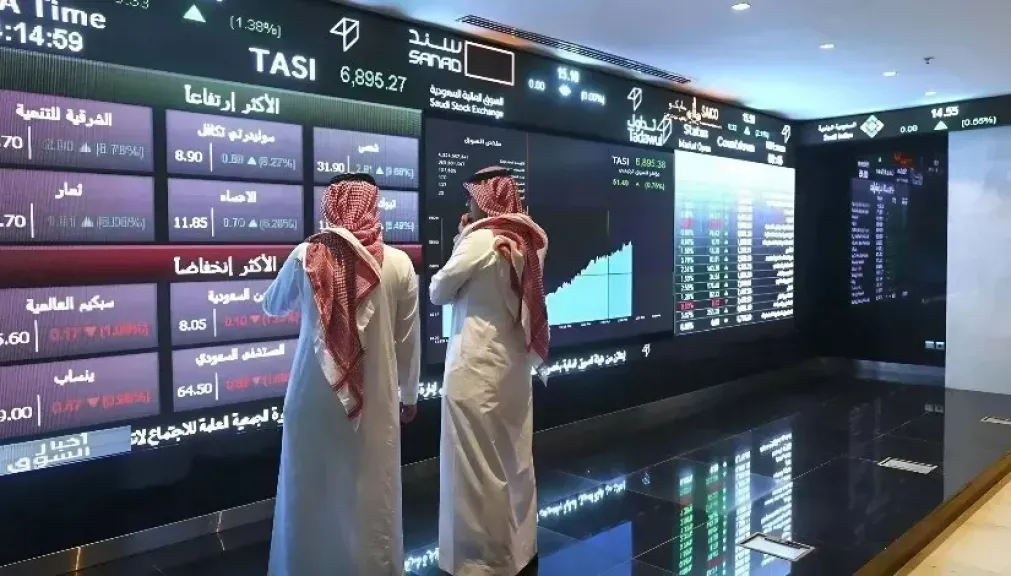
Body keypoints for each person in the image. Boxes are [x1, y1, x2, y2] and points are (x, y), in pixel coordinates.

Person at [263, 173, 421, 575]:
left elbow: (273, 305)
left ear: (331, 205)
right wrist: (409, 395)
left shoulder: (307, 255)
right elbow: (407, 340)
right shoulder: (399, 263)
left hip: (312, 402)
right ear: (373, 205)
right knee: (371, 497)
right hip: (377, 402)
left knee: (311, 496)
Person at [431, 166, 550, 576]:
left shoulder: (480, 240)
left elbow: (439, 290)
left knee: (476, 468)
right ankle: (519, 549)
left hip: (476, 367)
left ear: (484, 199)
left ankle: (480, 561)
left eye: (472, 196)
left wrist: (463, 239)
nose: (468, 203)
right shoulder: (530, 238)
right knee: (513, 460)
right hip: (512, 367)